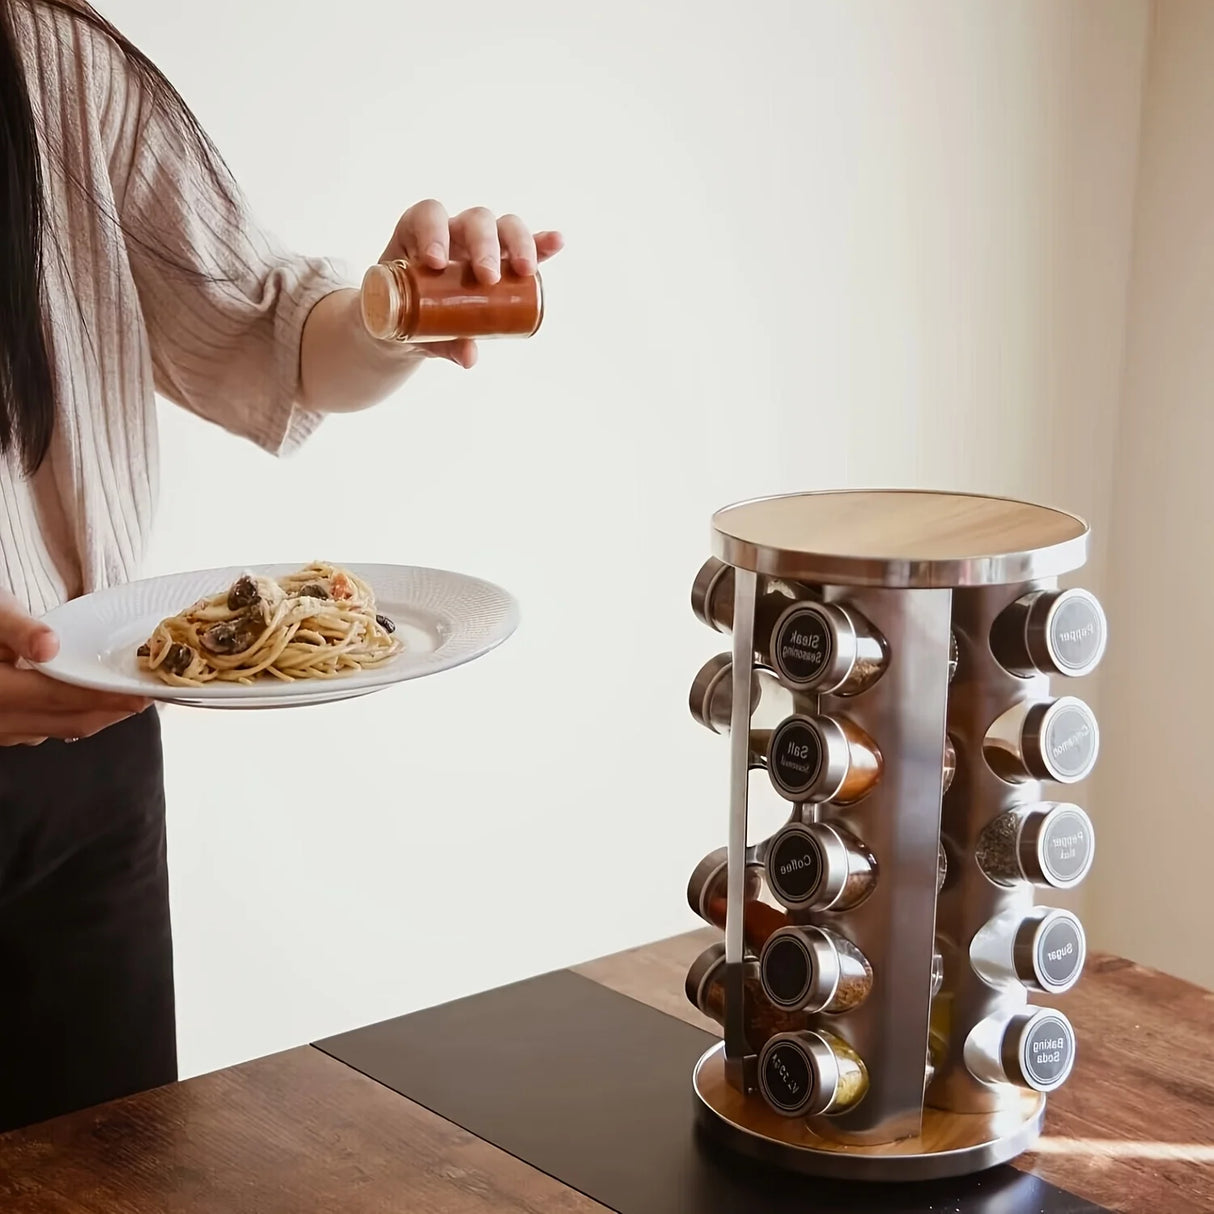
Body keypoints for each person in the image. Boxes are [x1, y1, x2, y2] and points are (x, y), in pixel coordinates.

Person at [0, 0, 563, 1132]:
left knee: (118, 1174)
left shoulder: (49, 51)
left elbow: (270, 336)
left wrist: (394, 310)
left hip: (82, 748)